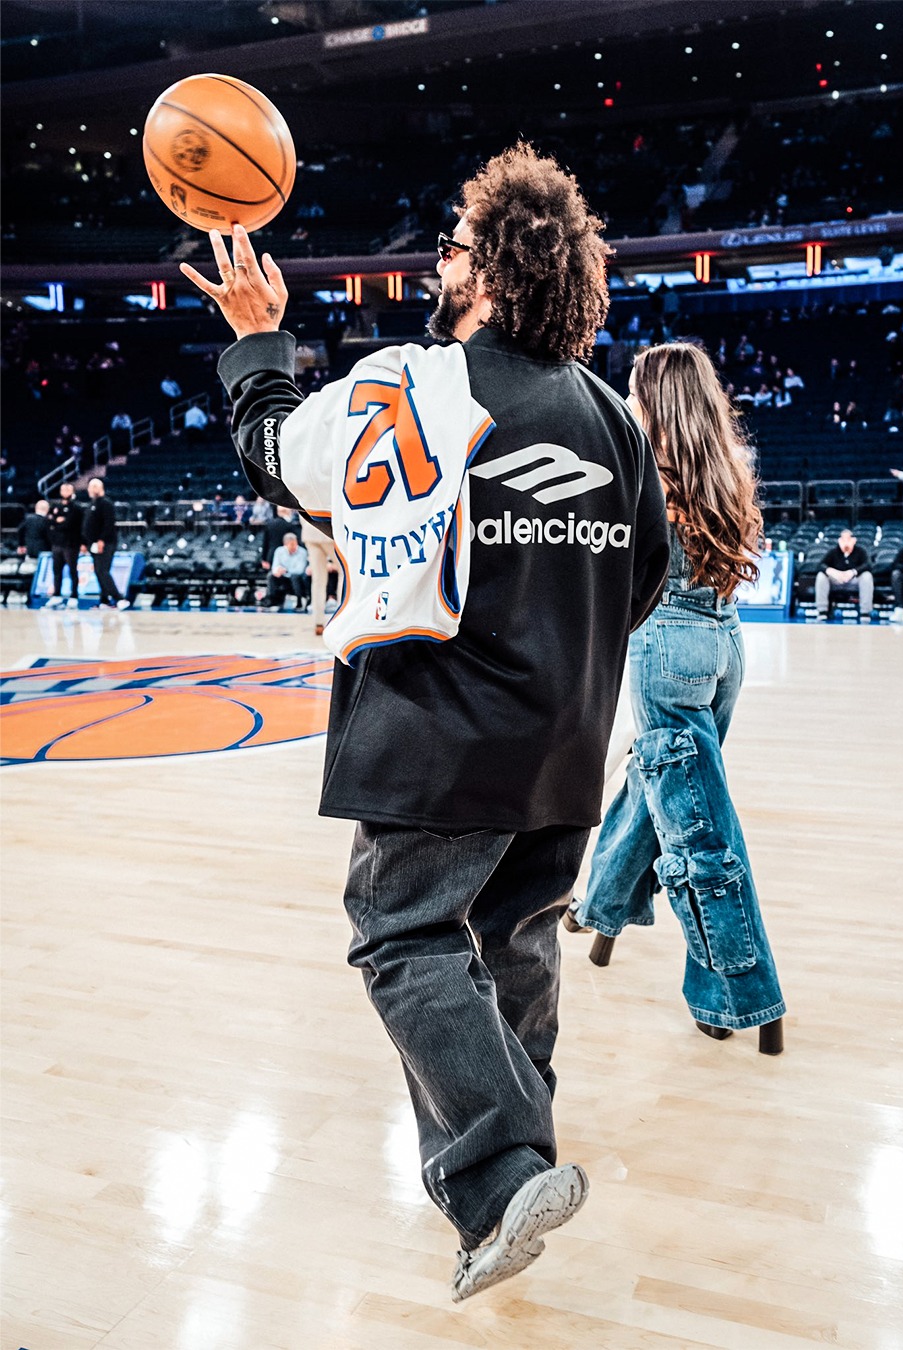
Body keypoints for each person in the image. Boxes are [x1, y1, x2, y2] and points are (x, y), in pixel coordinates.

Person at [180, 142, 669, 1301]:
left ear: (494, 266)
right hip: (564, 742)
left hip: (444, 735)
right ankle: (520, 1170)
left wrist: (258, 341)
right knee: (512, 941)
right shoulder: (613, 419)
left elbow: (279, 455)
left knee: (400, 934)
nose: (436, 261)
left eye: (452, 243)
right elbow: (641, 576)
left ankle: (500, 1174)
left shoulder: (419, 382)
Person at [565, 342, 785, 1045]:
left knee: (699, 832)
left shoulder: (641, 471)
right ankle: (598, 909)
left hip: (666, 648)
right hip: (725, 646)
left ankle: (739, 995)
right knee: (658, 788)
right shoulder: (724, 465)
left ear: (652, 399)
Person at [82, 477, 126, 608]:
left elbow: (108, 524)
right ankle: (104, 600)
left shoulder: (106, 503)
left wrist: (102, 540)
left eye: (91, 487)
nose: (89, 490)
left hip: (105, 543)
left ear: (97, 488)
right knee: (98, 571)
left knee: (103, 571)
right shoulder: (92, 504)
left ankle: (119, 599)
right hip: (93, 543)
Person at [815, 527, 873, 620]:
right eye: (843, 539)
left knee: (867, 576)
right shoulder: (833, 552)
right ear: (839, 541)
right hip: (836, 581)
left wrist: (853, 572)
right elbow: (820, 565)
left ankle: (865, 612)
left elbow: (868, 565)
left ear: (854, 540)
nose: (846, 542)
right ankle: (822, 611)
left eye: (848, 539)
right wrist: (833, 572)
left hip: (854, 581)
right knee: (821, 576)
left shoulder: (860, 551)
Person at [46, 482, 84, 607]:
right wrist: (57, 522)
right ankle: (56, 595)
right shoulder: (55, 506)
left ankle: (74, 596)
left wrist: (59, 522)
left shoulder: (77, 508)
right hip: (57, 544)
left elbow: (70, 524)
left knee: (72, 570)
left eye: (68, 489)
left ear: (73, 491)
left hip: (71, 544)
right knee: (57, 570)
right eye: (63, 489)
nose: (66, 491)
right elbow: (49, 521)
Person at [301, 514, 337, 636]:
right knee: (344, 571)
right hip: (328, 530)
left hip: (309, 530)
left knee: (318, 580)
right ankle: (341, 617)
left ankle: (318, 622)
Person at [266, 532, 310, 610]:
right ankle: (272, 601)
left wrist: (285, 570)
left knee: (294, 577)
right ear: (285, 544)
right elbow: (275, 566)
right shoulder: (279, 551)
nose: (294, 546)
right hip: (283, 576)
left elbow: (300, 570)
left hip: (297, 577)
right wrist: (277, 570)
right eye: (291, 544)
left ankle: (299, 601)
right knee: (271, 576)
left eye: (295, 544)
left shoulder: (302, 552)